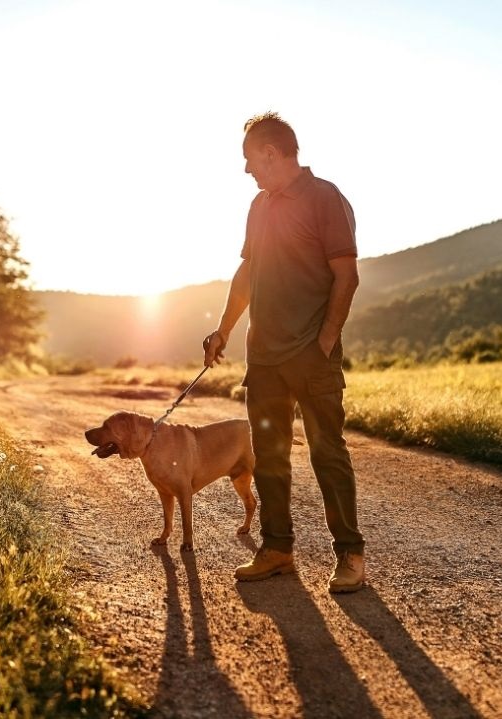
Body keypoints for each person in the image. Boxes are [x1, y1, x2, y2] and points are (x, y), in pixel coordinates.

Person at [203, 111, 365, 593]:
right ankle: (277, 549)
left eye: (251, 159)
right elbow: (246, 275)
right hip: (265, 360)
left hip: (312, 357)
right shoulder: (259, 206)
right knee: (269, 458)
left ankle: (350, 556)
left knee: (327, 453)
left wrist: (325, 342)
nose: (248, 169)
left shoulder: (325, 199)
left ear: (271, 153)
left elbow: (347, 276)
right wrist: (223, 329)